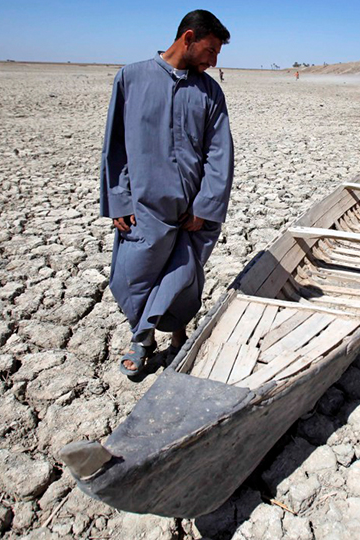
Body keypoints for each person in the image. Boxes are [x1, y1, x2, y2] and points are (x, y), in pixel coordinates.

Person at [99, 9, 234, 377]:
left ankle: (168, 339)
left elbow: (219, 153)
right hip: (144, 206)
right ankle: (144, 337)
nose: (213, 60)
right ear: (187, 39)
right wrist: (119, 199)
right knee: (136, 274)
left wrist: (205, 206)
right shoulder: (131, 78)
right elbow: (116, 146)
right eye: (210, 50)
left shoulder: (209, 92)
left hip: (191, 211)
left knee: (182, 279)